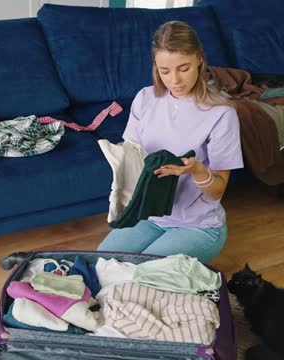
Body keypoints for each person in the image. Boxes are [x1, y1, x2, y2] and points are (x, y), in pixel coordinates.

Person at [97, 21, 243, 263]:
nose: (175, 80)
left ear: (199, 59)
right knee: (102, 261)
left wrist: (197, 170)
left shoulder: (221, 113)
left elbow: (217, 191)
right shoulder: (144, 99)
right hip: (149, 217)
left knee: (135, 274)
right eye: (165, 71)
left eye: (183, 68)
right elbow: (133, 159)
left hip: (198, 226)